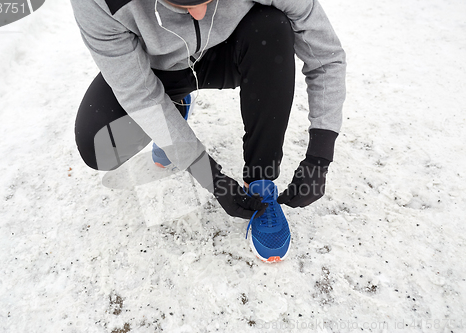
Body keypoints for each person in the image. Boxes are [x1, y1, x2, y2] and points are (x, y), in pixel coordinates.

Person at [70, 0, 346, 262]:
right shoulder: (99, 3)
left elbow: (326, 56)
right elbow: (140, 96)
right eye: (183, 4)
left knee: (273, 26)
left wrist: (319, 157)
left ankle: (261, 183)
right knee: (99, 146)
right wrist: (210, 176)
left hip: (233, 51)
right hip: (157, 70)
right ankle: (173, 104)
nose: (200, 13)